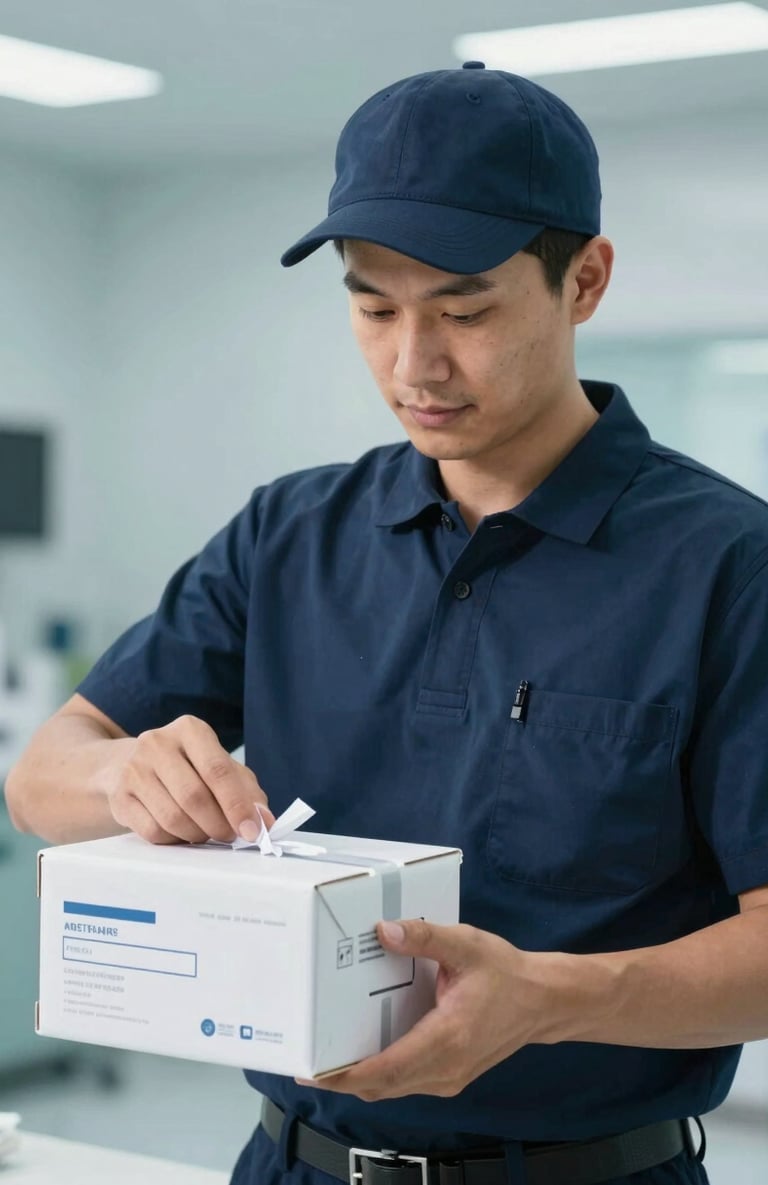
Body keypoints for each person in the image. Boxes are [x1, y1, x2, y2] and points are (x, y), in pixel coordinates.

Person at [6, 60, 768, 1185]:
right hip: (291, 1163)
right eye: (372, 307)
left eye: (465, 309)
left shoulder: (728, 565)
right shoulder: (289, 534)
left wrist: (554, 1003)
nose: (414, 364)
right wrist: (126, 779)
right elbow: (40, 777)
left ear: (585, 282)